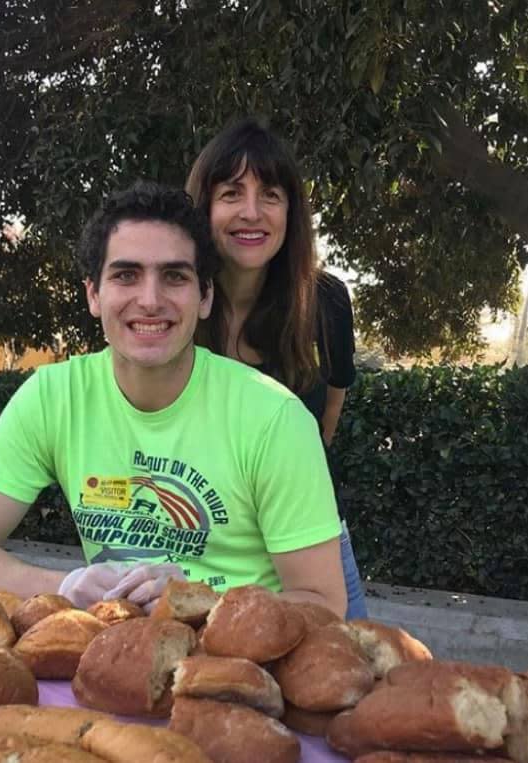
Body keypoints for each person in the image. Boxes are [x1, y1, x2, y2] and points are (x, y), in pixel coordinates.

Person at [0, 181, 346, 616]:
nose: (149, 301)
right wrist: (65, 587)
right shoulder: (52, 398)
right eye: (126, 275)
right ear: (93, 294)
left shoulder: (274, 418)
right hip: (114, 657)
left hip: (238, 670)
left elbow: (323, 605)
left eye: (174, 277)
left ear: (205, 297)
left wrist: (204, 601)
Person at [185, 117, 368, 619]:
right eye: (230, 193)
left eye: (270, 194)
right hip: (209, 544)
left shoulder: (324, 300)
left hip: (314, 539)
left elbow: (330, 409)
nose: (251, 212)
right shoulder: (174, 302)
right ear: (203, 207)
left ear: (291, 210)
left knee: (341, 679)